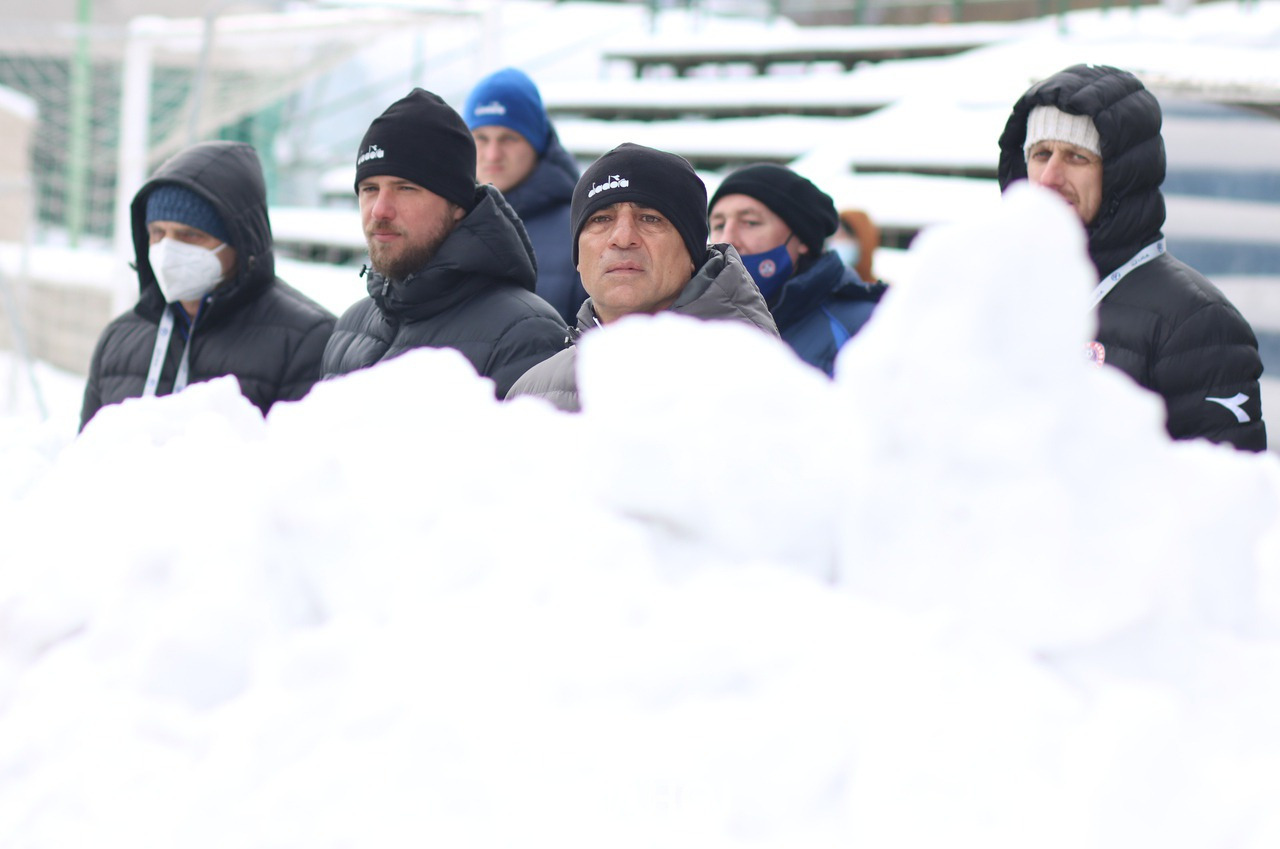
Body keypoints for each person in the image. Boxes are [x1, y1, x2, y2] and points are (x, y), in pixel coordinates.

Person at [997, 63, 1267, 452]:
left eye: (1076, 157)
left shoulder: (1199, 324)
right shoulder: (1002, 296)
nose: (1050, 177)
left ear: (1122, 177)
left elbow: (1226, 487)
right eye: (1041, 154)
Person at [321, 88, 569, 399]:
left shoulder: (524, 336)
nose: (380, 210)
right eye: (370, 189)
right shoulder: (350, 327)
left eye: (405, 188)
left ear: (457, 205)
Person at [80, 140, 335, 431]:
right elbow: (86, 454)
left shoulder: (308, 341)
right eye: (157, 233)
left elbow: (307, 456)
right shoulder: (119, 339)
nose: (168, 249)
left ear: (239, 242)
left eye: (190, 235)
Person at [507, 143, 779, 412]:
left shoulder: (754, 377)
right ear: (578, 257)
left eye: (650, 219)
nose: (623, 238)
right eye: (601, 219)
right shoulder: (530, 396)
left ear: (693, 251)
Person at [707, 163, 885, 376]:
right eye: (718, 226)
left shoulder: (867, 328)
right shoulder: (694, 323)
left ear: (802, 239)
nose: (728, 239)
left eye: (750, 222)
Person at [464, 67, 586, 325]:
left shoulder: (580, 230)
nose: (493, 154)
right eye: (481, 138)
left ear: (537, 144)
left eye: (508, 138)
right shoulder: (444, 223)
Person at [832, 208, 880, 285]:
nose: (836, 242)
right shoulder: (825, 286)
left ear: (865, 240)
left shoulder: (884, 291)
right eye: (834, 237)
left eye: (843, 236)